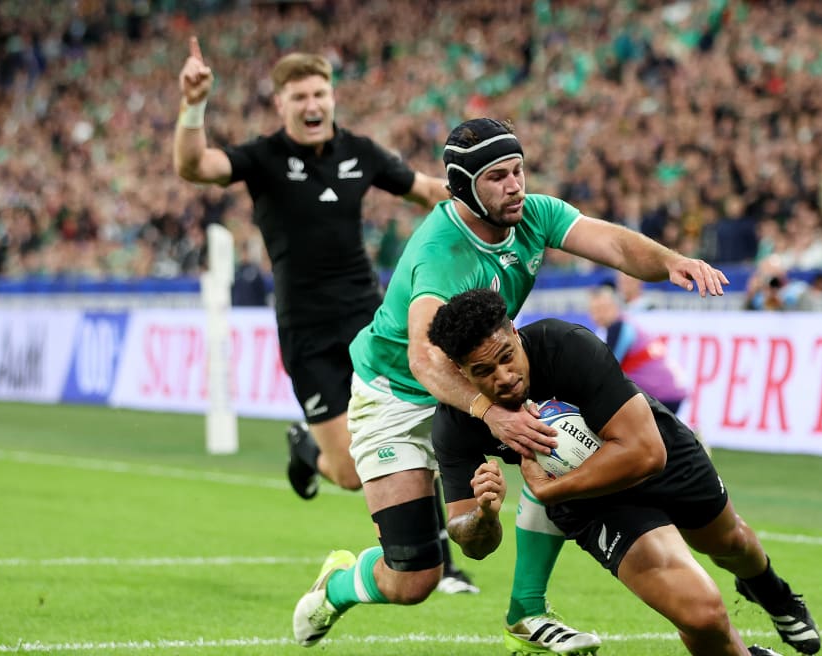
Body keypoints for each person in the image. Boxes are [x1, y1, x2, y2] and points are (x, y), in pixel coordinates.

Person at [290, 117, 729, 653]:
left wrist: (670, 261)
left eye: (518, 170)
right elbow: (425, 358)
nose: (515, 185)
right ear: (463, 187)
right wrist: (489, 412)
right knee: (414, 577)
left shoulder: (533, 215)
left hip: (479, 382)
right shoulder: (441, 254)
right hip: (397, 398)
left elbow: (612, 243)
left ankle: (527, 611)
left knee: (557, 436)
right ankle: (338, 585)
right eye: (497, 176)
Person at [172, 38, 477, 593]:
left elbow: (426, 190)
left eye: (320, 92)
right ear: (281, 104)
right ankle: (306, 449)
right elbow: (195, 165)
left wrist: (483, 201)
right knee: (350, 474)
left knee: (413, 424)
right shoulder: (262, 157)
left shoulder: (360, 151)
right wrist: (194, 106)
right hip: (306, 332)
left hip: (369, 319)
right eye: (299, 96)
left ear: (332, 98)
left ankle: (441, 562)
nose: (312, 104)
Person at [428, 288, 821, 656]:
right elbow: (473, 544)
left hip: (651, 450)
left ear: (515, 331)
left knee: (730, 542)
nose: (504, 376)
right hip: (590, 502)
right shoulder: (455, 423)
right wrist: (485, 514)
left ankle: (774, 594)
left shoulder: (565, 345)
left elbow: (647, 454)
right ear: (460, 371)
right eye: (483, 371)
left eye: (506, 356)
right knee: (702, 616)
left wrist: (550, 492)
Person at [587, 284, 688, 414]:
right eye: (594, 310)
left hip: (660, 395)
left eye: (603, 309)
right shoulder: (624, 324)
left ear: (616, 307)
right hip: (667, 392)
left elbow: (608, 367)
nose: (598, 314)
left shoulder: (619, 327)